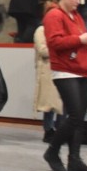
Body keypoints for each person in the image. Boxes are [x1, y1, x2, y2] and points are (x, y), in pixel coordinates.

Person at [41, 0, 87, 171]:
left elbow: (74, 40)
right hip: (65, 71)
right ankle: (53, 151)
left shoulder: (75, 16)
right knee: (75, 116)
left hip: (81, 69)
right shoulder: (54, 15)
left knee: (79, 118)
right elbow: (54, 42)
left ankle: (74, 159)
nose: (78, 1)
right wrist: (80, 40)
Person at [33, 15, 63, 144]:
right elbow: (43, 51)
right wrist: (63, 48)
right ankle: (48, 129)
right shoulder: (41, 30)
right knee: (49, 103)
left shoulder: (61, 30)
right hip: (48, 69)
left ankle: (60, 130)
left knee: (60, 102)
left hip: (61, 68)